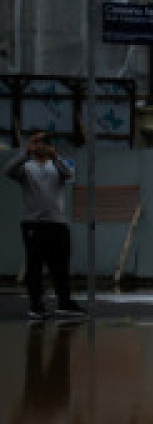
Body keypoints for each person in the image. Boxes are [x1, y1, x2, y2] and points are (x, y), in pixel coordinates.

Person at [7, 130, 85, 320]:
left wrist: (55, 156)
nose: (41, 147)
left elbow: (69, 174)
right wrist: (26, 152)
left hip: (57, 223)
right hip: (33, 223)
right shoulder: (27, 167)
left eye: (45, 143)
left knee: (60, 266)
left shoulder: (56, 165)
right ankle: (36, 305)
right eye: (37, 143)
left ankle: (64, 303)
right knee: (35, 266)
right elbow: (8, 170)